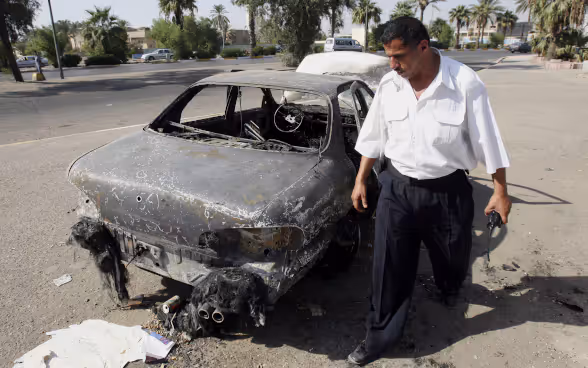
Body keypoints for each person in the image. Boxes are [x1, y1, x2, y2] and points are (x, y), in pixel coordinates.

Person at [347, 17, 512, 365]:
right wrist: (362, 178)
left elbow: (489, 142)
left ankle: (450, 286)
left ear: (423, 46)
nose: (393, 64)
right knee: (387, 268)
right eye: (388, 56)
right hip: (398, 188)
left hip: (447, 191)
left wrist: (500, 191)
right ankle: (378, 337)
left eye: (400, 55)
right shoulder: (390, 85)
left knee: (453, 256)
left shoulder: (465, 83)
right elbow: (373, 137)